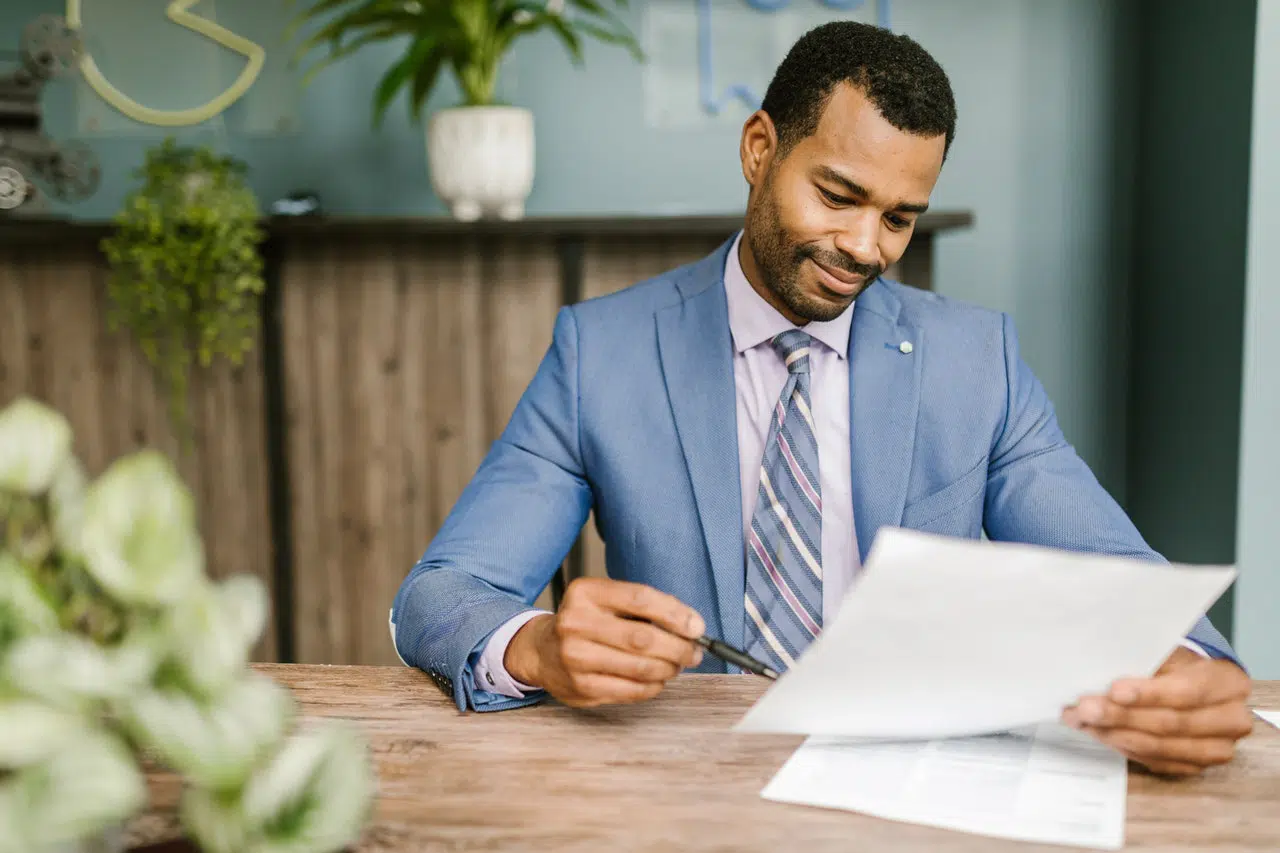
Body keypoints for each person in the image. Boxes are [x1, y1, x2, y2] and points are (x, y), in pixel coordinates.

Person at [391, 21, 1252, 777]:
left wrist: (1186, 666)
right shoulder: (603, 353)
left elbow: (1124, 576)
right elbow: (440, 591)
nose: (864, 247)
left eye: (899, 218)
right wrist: (536, 646)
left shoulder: (975, 360)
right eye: (838, 196)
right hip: (686, 780)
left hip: (921, 784)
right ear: (759, 148)